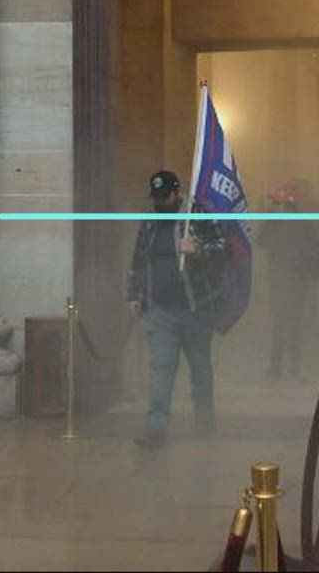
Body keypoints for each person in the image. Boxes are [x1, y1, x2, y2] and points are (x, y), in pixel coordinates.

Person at [126, 170, 228, 450]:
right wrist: (134, 293)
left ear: (177, 192)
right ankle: (156, 429)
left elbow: (222, 249)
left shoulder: (197, 214)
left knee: (200, 369)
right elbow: (138, 259)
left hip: (195, 308)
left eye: (165, 197)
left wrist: (197, 249)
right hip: (159, 309)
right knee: (160, 369)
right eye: (156, 198)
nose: (160, 202)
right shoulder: (149, 221)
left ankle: (205, 425)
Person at [256, 184, 319, 380]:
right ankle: (285, 367)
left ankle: (286, 367)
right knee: (288, 324)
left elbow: (312, 250)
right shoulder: (294, 221)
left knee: (287, 324)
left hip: (291, 280)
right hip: (286, 280)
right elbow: (262, 241)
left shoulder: (297, 222)